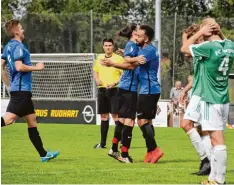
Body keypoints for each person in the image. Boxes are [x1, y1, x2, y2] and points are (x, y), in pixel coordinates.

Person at [181, 17, 234, 185]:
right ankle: (212, 179)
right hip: (224, 99)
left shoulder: (208, 47)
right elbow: (225, 41)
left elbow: (184, 48)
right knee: (213, 138)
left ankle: (220, 180)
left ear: (207, 30)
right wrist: (219, 32)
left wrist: (199, 33)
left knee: (217, 141)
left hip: (210, 100)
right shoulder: (230, 46)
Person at [100, 25, 164, 164]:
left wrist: (121, 60)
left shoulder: (146, 50)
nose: (137, 37)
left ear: (145, 38)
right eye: (136, 33)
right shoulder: (138, 47)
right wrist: (128, 56)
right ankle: (150, 151)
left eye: (139, 35)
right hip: (144, 90)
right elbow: (132, 61)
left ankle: (152, 150)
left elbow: (131, 64)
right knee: (140, 121)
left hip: (148, 90)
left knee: (139, 121)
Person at [1, 19, 59, 162]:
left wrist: (9, 85)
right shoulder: (19, 47)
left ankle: (43, 154)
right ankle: (43, 154)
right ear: (15, 32)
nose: (23, 30)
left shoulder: (8, 47)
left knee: (32, 121)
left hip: (18, 90)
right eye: (21, 28)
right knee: (8, 120)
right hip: (22, 91)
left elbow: (1, 66)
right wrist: (37, 68)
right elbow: (20, 67)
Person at [179, 24, 212, 176]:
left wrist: (186, 37)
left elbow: (185, 50)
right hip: (199, 92)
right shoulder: (201, 50)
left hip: (202, 94)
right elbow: (198, 75)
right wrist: (185, 89)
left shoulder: (203, 47)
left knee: (185, 124)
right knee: (202, 129)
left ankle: (205, 160)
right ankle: (208, 163)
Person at [93, 38, 124, 149]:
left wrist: (115, 82)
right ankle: (102, 143)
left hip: (115, 90)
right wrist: (97, 80)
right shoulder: (99, 57)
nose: (108, 47)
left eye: (110, 45)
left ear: (113, 46)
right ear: (103, 47)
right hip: (102, 90)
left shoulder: (119, 59)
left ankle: (120, 142)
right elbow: (96, 71)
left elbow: (123, 74)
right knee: (104, 117)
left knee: (116, 116)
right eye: (106, 45)